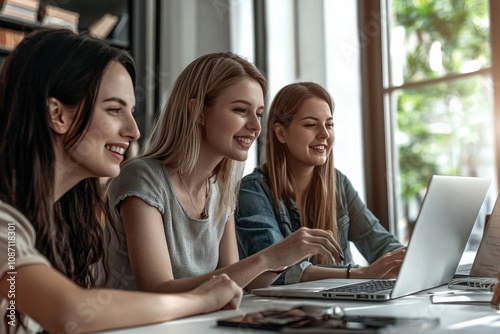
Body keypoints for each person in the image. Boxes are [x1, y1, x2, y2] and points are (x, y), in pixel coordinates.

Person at [0, 28, 242, 334]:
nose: (133, 131)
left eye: (132, 111)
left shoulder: (54, 223)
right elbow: (71, 312)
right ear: (58, 115)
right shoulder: (4, 225)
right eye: (114, 110)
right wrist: (201, 299)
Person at [104, 52, 343, 294]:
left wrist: (285, 258)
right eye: (241, 110)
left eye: (259, 114)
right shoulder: (142, 178)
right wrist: (269, 257)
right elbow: (158, 290)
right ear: (197, 111)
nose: (255, 126)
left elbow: (236, 279)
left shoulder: (220, 188)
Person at [235, 82, 406, 285]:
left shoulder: (338, 183)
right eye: (310, 124)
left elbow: (380, 243)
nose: (325, 134)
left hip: (340, 307)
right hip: (283, 312)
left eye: (329, 124)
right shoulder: (252, 191)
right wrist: (360, 274)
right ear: (281, 133)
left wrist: (408, 259)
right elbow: (274, 273)